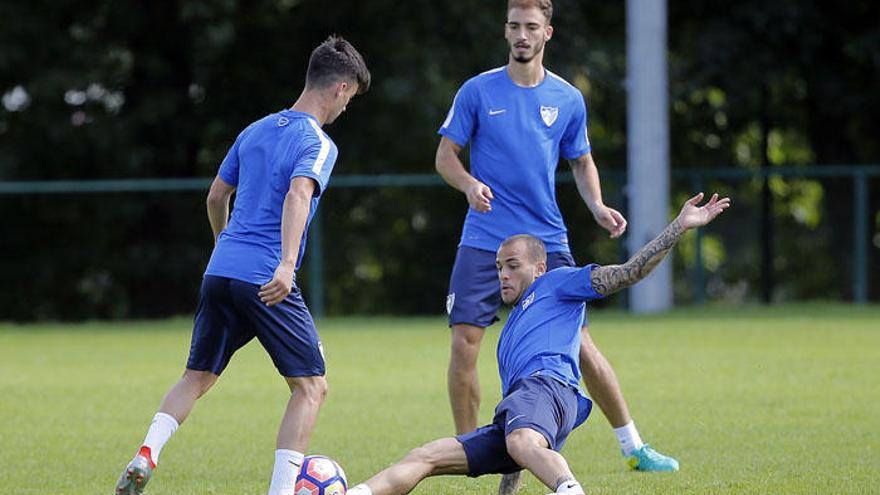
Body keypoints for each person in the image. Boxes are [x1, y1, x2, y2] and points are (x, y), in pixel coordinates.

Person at [114, 36, 370, 495]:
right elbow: (298, 194)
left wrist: (221, 246)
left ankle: (146, 453)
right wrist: (287, 265)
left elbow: (216, 196)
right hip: (267, 279)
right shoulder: (318, 143)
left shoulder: (254, 130)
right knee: (311, 388)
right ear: (342, 89)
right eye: (350, 99)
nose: (346, 109)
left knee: (196, 376)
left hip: (221, 271)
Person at [434, 1, 676, 486]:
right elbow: (445, 156)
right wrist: (466, 185)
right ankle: (471, 453)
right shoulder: (477, 91)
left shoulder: (567, 98)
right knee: (464, 346)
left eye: (530, 26)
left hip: (545, 241)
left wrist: (597, 206)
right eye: (513, 25)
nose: (521, 34)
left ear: (548, 32)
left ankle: (633, 446)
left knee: (581, 345)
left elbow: (581, 161)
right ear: (506, 30)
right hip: (484, 240)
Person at [346, 193, 730, 495]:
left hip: (548, 388)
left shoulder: (558, 282)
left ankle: (569, 489)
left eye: (513, 265)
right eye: (498, 267)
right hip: (527, 409)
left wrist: (679, 226)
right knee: (426, 456)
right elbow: (522, 441)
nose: (503, 275)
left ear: (539, 267)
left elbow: (629, 273)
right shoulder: (510, 334)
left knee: (521, 441)